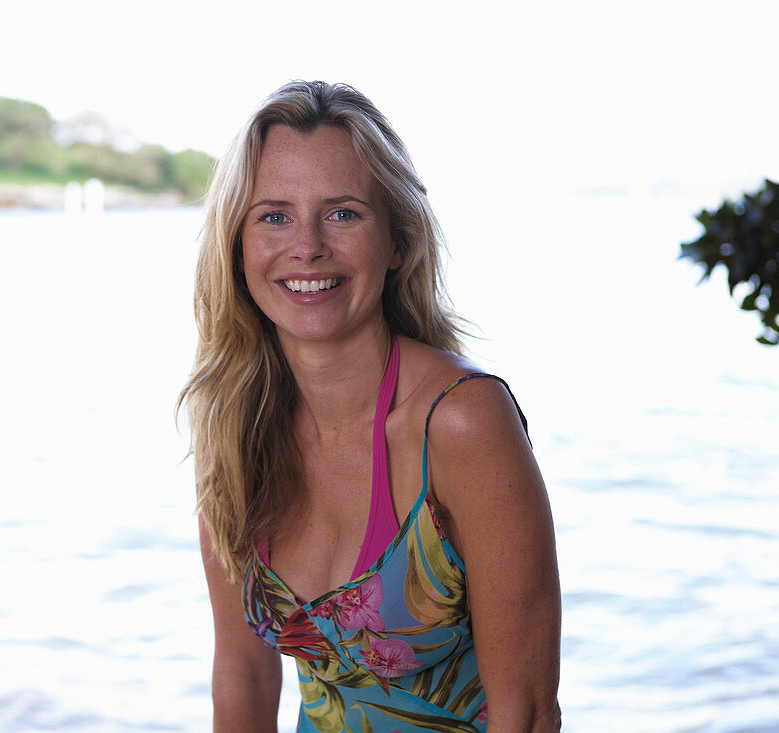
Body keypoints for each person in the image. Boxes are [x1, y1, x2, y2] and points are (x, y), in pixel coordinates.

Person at [180, 80, 561, 732]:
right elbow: (242, 676)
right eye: (274, 214)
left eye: (343, 213)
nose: (307, 247)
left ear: (397, 241)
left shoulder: (461, 421)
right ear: (238, 245)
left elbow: (525, 714)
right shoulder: (234, 422)